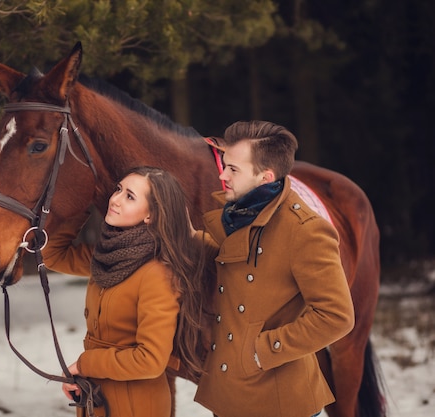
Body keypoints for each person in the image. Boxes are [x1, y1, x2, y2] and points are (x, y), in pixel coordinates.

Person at [193, 120, 355, 417]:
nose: (222, 175)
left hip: (280, 402)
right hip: (230, 394)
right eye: (225, 165)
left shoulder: (305, 231)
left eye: (233, 169)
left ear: (265, 177)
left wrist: (263, 350)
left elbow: (337, 317)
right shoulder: (237, 215)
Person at [42, 166, 206, 417]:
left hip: (135, 405)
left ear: (150, 215)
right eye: (118, 189)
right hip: (96, 397)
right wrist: (79, 203)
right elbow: (53, 255)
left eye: (129, 196)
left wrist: (85, 365)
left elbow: (150, 360)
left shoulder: (158, 273)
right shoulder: (107, 255)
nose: (115, 199)